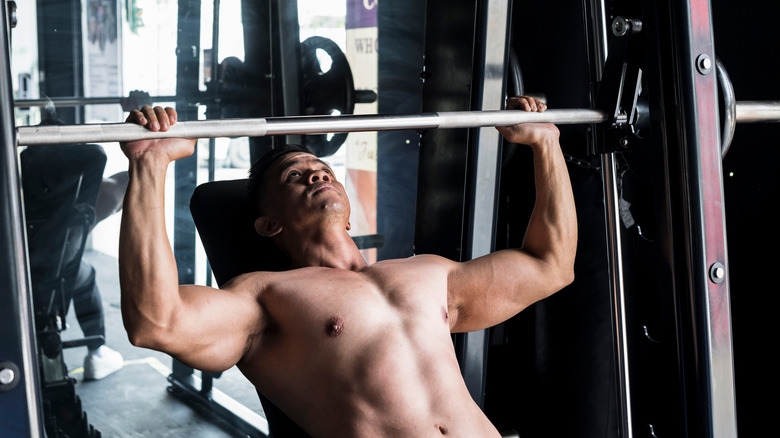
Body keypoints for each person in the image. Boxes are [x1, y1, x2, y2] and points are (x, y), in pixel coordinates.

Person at [118, 95, 576, 436]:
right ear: (268, 225)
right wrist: (150, 165)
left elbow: (551, 264)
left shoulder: (428, 274)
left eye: (323, 171)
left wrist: (546, 144)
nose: (317, 174)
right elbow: (157, 321)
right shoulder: (265, 296)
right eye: (295, 176)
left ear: (350, 212)